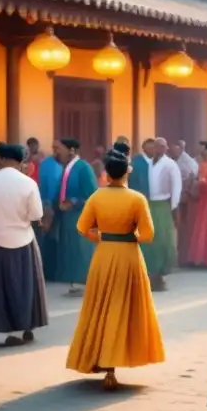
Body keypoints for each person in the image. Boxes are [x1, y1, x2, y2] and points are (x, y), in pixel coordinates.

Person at [66, 144, 165, 390]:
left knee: (101, 306)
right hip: (129, 256)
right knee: (125, 308)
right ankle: (117, 359)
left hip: (104, 254)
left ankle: (103, 363)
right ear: (127, 173)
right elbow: (148, 234)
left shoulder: (97, 197)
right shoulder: (137, 199)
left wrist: (101, 237)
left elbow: (82, 227)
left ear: (106, 175)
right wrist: (129, 237)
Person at [0, 143, 48, 347]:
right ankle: (26, 326)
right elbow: (36, 215)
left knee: (1, 288)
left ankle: (10, 329)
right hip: (23, 239)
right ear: (20, 161)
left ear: (1, 159)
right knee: (25, 285)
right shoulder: (28, 183)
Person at [53, 138, 99, 295]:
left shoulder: (83, 168)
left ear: (71, 150)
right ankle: (75, 282)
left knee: (82, 248)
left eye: (60, 148)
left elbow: (92, 195)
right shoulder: (67, 168)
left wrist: (73, 202)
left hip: (80, 215)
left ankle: (85, 283)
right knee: (71, 248)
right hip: (67, 216)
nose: (57, 151)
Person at [139, 136, 181, 291]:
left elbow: (176, 187)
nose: (158, 149)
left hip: (163, 205)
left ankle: (161, 274)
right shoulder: (148, 164)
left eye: (162, 146)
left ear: (166, 148)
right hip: (149, 204)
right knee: (148, 240)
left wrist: (173, 207)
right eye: (156, 146)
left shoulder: (170, 165)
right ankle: (149, 273)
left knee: (163, 239)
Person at [36, 141, 64, 279]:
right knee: (47, 237)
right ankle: (47, 272)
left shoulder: (69, 165)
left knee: (59, 239)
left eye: (59, 148)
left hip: (62, 206)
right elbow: (42, 185)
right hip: (47, 205)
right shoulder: (46, 163)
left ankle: (57, 271)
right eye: (55, 148)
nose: (57, 151)